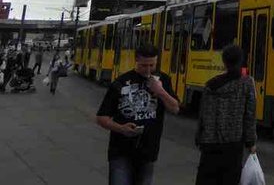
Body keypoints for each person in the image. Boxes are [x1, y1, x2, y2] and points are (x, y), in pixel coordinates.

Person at [96, 43, 179, 185]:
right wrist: (121, 128)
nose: (148, 70)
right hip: (121, 150)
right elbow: (101, 117)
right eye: (144, 66)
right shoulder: (121, 82)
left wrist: (160, 92)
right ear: (136, 61)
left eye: (152, 65)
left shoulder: (162, 80)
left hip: (148, 150)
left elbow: (175, 108)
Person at [194, 45, 257, 185]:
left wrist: (199, 136)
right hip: (233, 143)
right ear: (241, 61)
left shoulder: (211, 85)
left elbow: (203, 114)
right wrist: (251, 142)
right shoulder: (247, 83)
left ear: (224, 62)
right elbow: (250, 115)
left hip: (209, 143)